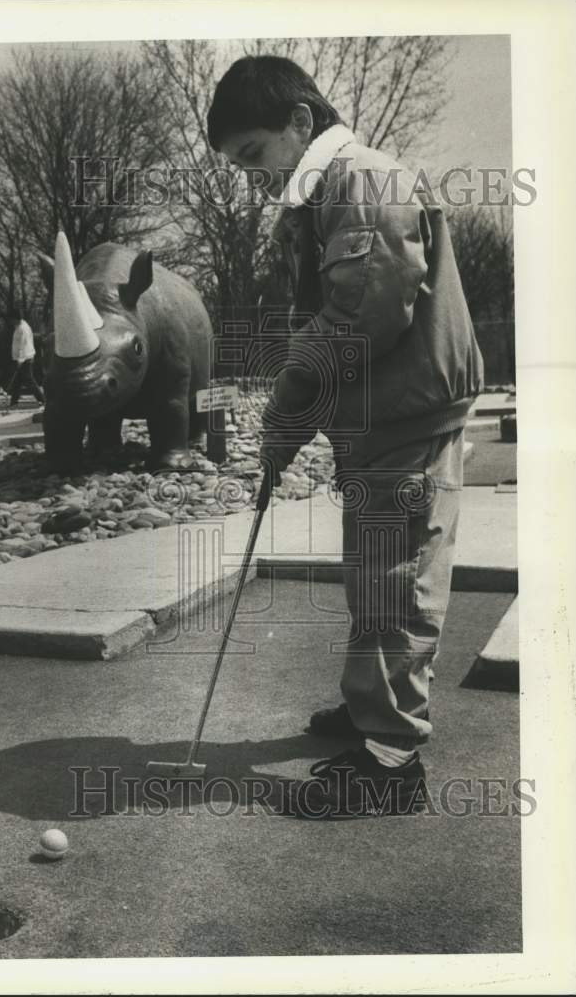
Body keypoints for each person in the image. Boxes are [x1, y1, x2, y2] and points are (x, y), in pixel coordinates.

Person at [207, 56, 483, 817]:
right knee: (376, 570)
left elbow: (364, 315)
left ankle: (390, 762)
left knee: (392, 579)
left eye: (252, 154)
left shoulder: (359, 181)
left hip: (402, 415)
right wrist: (294, 422)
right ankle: (372, 711)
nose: (250, 176)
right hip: (382, 416)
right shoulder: (322, 192)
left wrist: (286, 411)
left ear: (301, 121)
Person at [6, 310, 45, 407]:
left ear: (16, 318)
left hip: (25, 358)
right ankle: (14, 402)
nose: (11, 321)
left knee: (29, 380)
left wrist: (20, 360)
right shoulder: (19, 327)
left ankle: (43, 399)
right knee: (18, 381)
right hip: (23, 357)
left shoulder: (23, 329)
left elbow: (23, 345)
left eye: (12, 319)